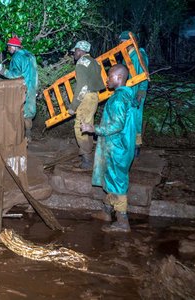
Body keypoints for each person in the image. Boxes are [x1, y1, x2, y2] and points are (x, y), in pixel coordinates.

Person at [81, 64, 138, 233]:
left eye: (110, 76)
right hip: (124, 145)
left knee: (117, 182)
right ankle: (106, 211)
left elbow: (117, 125)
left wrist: (94, 129)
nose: (107, 79)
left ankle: (122, 221)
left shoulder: (118, 99)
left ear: (119, 78)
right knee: (111, 178)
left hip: (117, 146)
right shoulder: (129, 96)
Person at [67, 40, 106, 170]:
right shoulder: (95, 62)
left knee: (80, 127)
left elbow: (82, 87)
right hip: (94, 97)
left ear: (80, 51)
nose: (74, 54)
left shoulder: (81, 63)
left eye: (75, 51)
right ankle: (88, 155)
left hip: (86, 98)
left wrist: (73, 106)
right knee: (88, 126)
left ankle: (87, 159)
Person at [0, 37, 38, 141]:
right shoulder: (30, 55)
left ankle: (17, 137)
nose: (8, 49)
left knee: (16, 111)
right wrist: (35, 89)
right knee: (29, 113)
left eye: (9, 47)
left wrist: (2, 70)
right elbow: (35, 73)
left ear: (14, 47)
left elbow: (15, 75)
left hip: (22, 88)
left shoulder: (17, 57)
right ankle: (28, 135)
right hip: (31, 87)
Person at [119, 31, 149, 157]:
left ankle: (136, 147)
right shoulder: (127, 55)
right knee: (126, 118)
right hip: (128, 92)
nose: (120, 44)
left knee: (135, 118)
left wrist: (141, 92)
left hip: (136, 92)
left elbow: (144, 73)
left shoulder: (139, 55)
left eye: (122, 42)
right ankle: (126, 145)